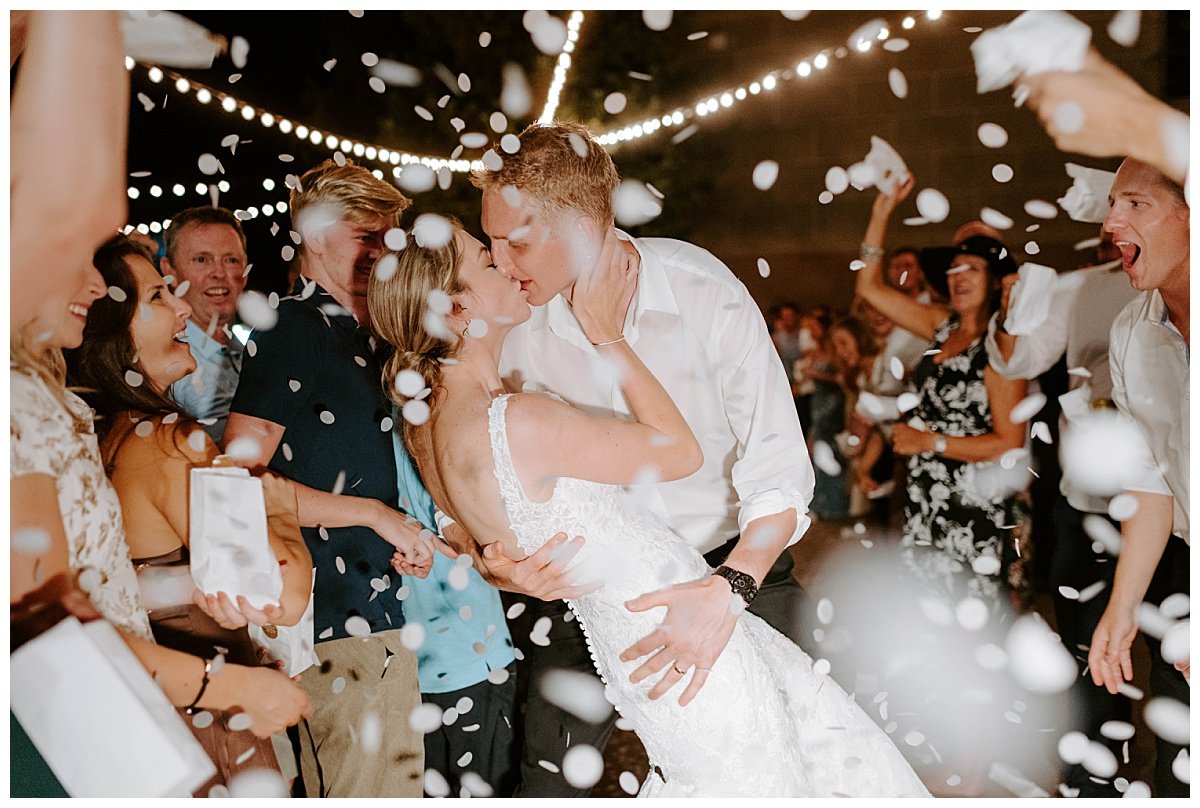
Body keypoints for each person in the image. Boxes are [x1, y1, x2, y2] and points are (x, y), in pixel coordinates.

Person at [367, 218, 929, 797]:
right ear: (455, 311)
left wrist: (486, 554)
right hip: (652, 630)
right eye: (489, 258)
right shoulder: (517, 402)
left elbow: (455, 504)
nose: (506, 262)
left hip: (715, 576)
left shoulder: (433, 405)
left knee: (819, 747)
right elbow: (680, 451)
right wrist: (608, 337)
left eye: (510, 243)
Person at [465, 121, 818, 796]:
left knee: (802, 756)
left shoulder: (701, 290)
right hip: (589, 592)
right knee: (548, 773)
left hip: (736, 567)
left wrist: (732, 587)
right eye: (489, 242)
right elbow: (481, 468)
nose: (499, 262)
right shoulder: (514, 324)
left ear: (578, 224)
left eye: (514, 241)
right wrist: (493, 556)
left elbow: (779, 466)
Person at [11, 236, 312, 797]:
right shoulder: (168, 440)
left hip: (132, 696)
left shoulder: (93, 426)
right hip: (182, 704)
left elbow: (101, 578)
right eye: (156, 297)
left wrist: (175, 586)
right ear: (112, 330)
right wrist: (282, 510)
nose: (181, 306)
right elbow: (282, 594)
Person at [223, 158, 436, 798]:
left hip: (367, 611)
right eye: (365, 236)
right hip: (336, 623)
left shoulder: (357, 332)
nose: (381, 252)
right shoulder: (295, 327)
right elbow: (240, 478)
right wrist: (375, 516)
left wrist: (399, 535)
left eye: (388, 237)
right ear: (314, 236)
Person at [986, 228, 1143, 795]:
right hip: (1087, 501)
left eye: (1132, 208)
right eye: (1106, 229)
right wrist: (1009, 314)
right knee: (1086, 645)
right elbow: (1020, 361)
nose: (1115, 235)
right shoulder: (1079, 289)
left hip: (1174, 512)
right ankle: (1091, 776)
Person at [1087, 157, 1189, 797]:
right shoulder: (1130, 332)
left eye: (1135, 204)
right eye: (1110, 203)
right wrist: (1122, 608)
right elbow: (1152, 486)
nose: (1109, 222)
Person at [161, 206, 249, 444]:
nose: (218, 273)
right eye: (202, 259)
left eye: (231, 260)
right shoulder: (163, 360)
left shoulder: (252, 355)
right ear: (170, 272)